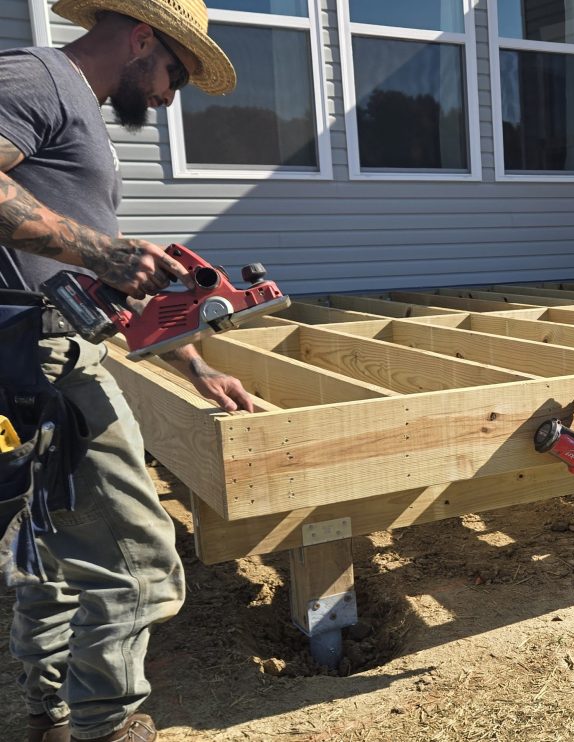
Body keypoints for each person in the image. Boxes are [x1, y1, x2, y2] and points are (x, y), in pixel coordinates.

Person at [0, 2, 251, 740]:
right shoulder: (40, 78)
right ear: (143, 38)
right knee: (141, 555)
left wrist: (196, 363)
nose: (171, 96)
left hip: (35, 354)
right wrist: (101, 250)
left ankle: (43, 714)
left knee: (48, 546)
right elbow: (85, 260)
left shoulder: (73, 108)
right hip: (42, 363)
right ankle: (108, 727)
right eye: (175, 72)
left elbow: (87, 279)